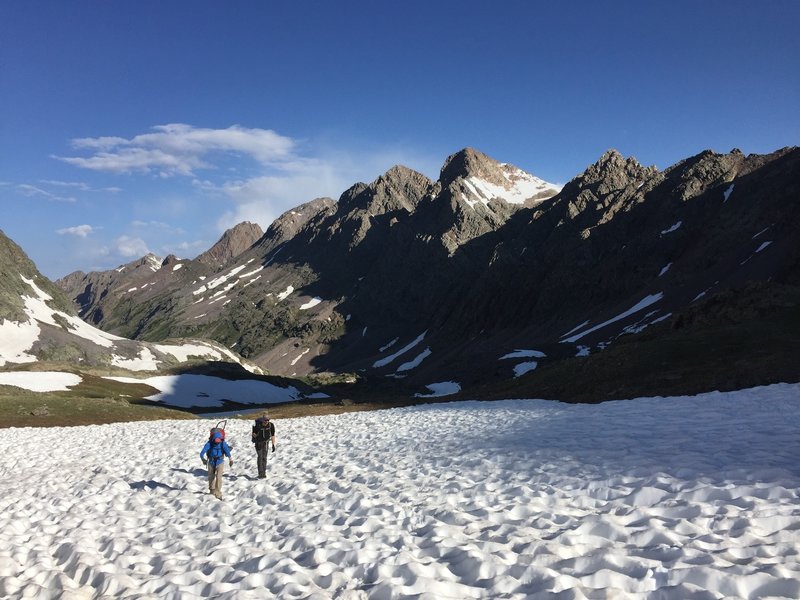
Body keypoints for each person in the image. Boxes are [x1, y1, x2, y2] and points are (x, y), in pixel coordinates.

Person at [200, 428, 233, 500]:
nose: (217, 443)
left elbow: (227, 451)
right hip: (211, 462)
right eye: (216, 442)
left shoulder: (223, 443)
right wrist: (203, 459)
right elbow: (202, 452)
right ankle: (212, 490)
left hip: (220, 462)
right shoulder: (209, 443)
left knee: (218, 477)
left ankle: (218, 492)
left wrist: (230, 459)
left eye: (218, 442)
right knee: (211, 476)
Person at [251, 414, 276, 479]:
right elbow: (254, 434)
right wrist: (254, 434)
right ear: (262, 419)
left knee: (264, 457)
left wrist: (273, 445)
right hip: (258, 443)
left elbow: (273, 435)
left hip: (266, 443)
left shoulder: (271, 425)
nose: (266, 421)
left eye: (268, 420)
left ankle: (263, 472)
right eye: (265, 420)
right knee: (260, 457)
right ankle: (261, 473)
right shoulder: (258, 425)